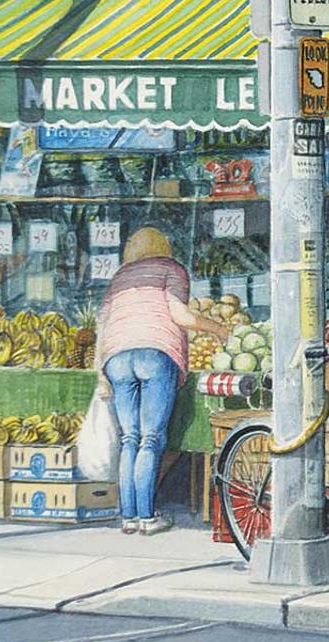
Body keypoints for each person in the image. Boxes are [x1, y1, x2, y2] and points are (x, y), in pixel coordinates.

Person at [94, 228, 229, 535]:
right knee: (151, 439)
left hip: (116, 358)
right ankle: (147, 517)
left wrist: (100, 373)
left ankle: (127, 516)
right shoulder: (172, 270)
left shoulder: (121, 277)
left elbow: (102, 326)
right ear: (165, 247)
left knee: (129, 438)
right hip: (156, 352)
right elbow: (180, 315)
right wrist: (218, 329)